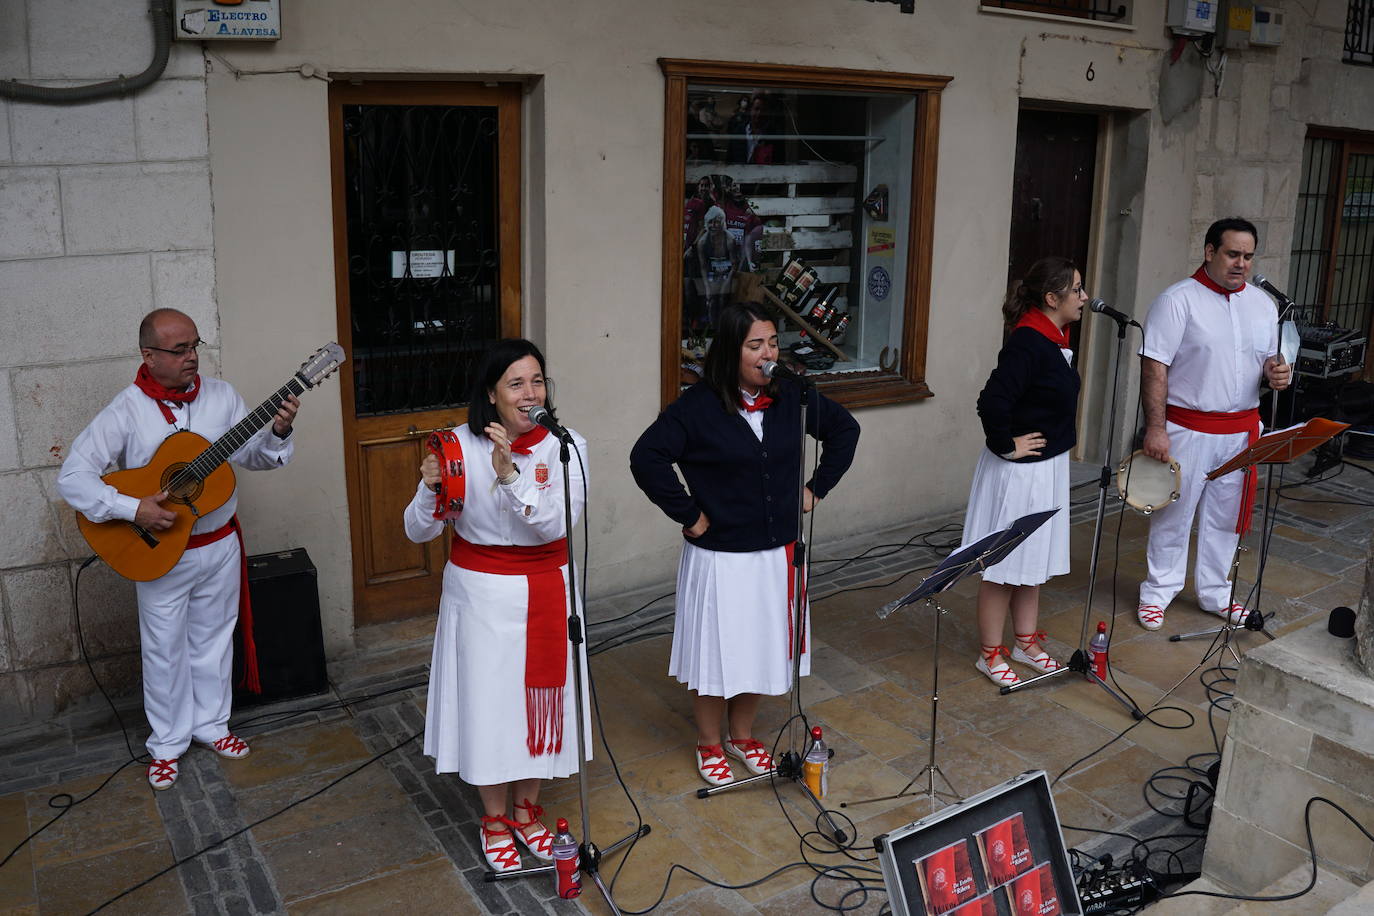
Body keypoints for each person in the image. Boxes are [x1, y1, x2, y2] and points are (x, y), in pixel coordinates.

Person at [57, 308, 299, 790]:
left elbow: (253, 458)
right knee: (165, 649)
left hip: (220, 543)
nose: (191, 357)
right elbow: (73, 478)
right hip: (161, 550)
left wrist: (278, 433)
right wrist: (132, 509)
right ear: (149, 355)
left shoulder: (223, 397)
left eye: (194, 346)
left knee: (214, 640)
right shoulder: (126, 410)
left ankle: (212, 725)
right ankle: (167, 744)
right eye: (179, 349)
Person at [630, 304, 859, 787]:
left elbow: (845, 430)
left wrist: (816, 488)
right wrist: (688, 514)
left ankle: (742, 734)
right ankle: (709, 743)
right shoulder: (698, 406)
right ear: (730, 352)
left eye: (773, 342)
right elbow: (646, 457)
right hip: (722, 556)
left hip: (777, 552)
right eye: (755, 345)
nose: (767, 353)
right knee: (719, 652)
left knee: (761, 645)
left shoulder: (792, 395)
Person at [403, 338, 588, 874]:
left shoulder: (567, 445)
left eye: (537, 381)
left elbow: (555, 525)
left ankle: (527, 810)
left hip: (547, 585)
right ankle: (494, 819)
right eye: (516, 383)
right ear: (491, 393)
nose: (531, 394)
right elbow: (417, 531)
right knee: (491, 705)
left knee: (538, 704)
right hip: (480, 594)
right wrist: (428, 488)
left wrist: (510, 477)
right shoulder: (456, 446)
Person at [1136, 218, 1291, 630]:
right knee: (1174, 512)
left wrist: (1277, 373)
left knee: (1225, 516)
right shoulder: (1177, 300)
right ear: (1209, 252)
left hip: (1241, 428)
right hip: (1187, 426)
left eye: (1248, 256)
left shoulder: (1263, 304)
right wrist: (1156, 428)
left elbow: (1266, 361)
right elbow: (1154, 367)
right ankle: (1157, 591)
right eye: (1232, 254)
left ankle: (1216, 593)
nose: (1241, 263)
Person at [962, 258, 1085, 687]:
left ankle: (1025, 642)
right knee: (1004, 565)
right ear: (1052, 298)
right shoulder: (1028, 343)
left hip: (1046, 469)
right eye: (1076, 289)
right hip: (1020, 474)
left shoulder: (1052, 339)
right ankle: (989, 654)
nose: (1084, 297)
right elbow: (991, 401)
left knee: (1033, 560)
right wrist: (1006, 444)